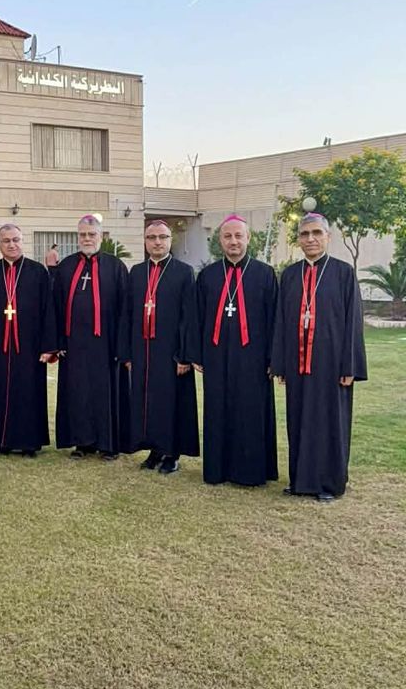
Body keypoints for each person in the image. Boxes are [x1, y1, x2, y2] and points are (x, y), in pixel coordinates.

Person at [271, 213, 367, 501]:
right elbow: (281, 320)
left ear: (328, 237)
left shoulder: (342, 272)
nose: (310, 239)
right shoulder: (290, 274)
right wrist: (279, 363)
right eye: (304, 234)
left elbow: (353, 322)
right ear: (298, 239)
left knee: (329, 422)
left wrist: (350, 365)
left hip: (331, 362)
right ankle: (300, 480)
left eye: (316, 233)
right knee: (298, 419)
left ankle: (329, 483)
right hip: (297, 362)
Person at [188, 216, 279, 487]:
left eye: (239, 236)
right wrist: (196, 354)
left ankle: (250, 472)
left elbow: (275, 319)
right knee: (217, 410)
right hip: (216, 356)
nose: (234, 242)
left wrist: (274, 359)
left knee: (250, 412)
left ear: (248, 238)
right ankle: (218, 470)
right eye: (228, 237)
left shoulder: (264, 274)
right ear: (220, 241)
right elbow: (196, 317)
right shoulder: (208, 275)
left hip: (253, 358)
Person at [118, 221, 198, 474]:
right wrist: (127, 352)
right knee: (146, 401)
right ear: (145, 241)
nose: (157, 242)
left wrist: (184, 355)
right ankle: (154, 449)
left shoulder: (183, 272)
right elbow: (127, 314)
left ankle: (171, 453)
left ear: (170, 239)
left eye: (162, 237)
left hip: (170, 351)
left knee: (170, 401)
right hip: (142, 350)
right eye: (151, 237)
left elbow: (190, 317)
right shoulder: (137, 272)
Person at [0, 224, 57, 457]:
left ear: (23, 241)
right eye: (6, 241)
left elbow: (48, 310)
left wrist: (47, 346)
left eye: (16, 240)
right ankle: (0, 441)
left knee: (29, 393)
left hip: (30, 346)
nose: (11, 244)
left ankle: (29, 443)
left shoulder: (38, 272)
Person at [53, 214, 129, 460]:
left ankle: (109, 444)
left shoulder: (115, 267)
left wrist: (121, 345)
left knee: (105, 393)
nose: (87, 238)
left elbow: (124, 310)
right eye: (83, 234)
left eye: (92, 234)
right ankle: (82, 442)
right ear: (78, 237)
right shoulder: (65, 267)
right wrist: (58, 343)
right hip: (73, 345)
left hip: (106, 345)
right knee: (78, 392)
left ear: (101, 236)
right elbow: (55, 307)